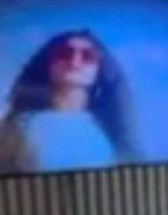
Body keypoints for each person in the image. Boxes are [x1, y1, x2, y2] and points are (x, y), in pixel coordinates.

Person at [0, 30, 140, 174]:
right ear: (48, 64)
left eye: (87, 56)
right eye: (64, 53)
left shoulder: (113, 129)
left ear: (100, 68)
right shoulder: (18, 126)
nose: (75, 63)